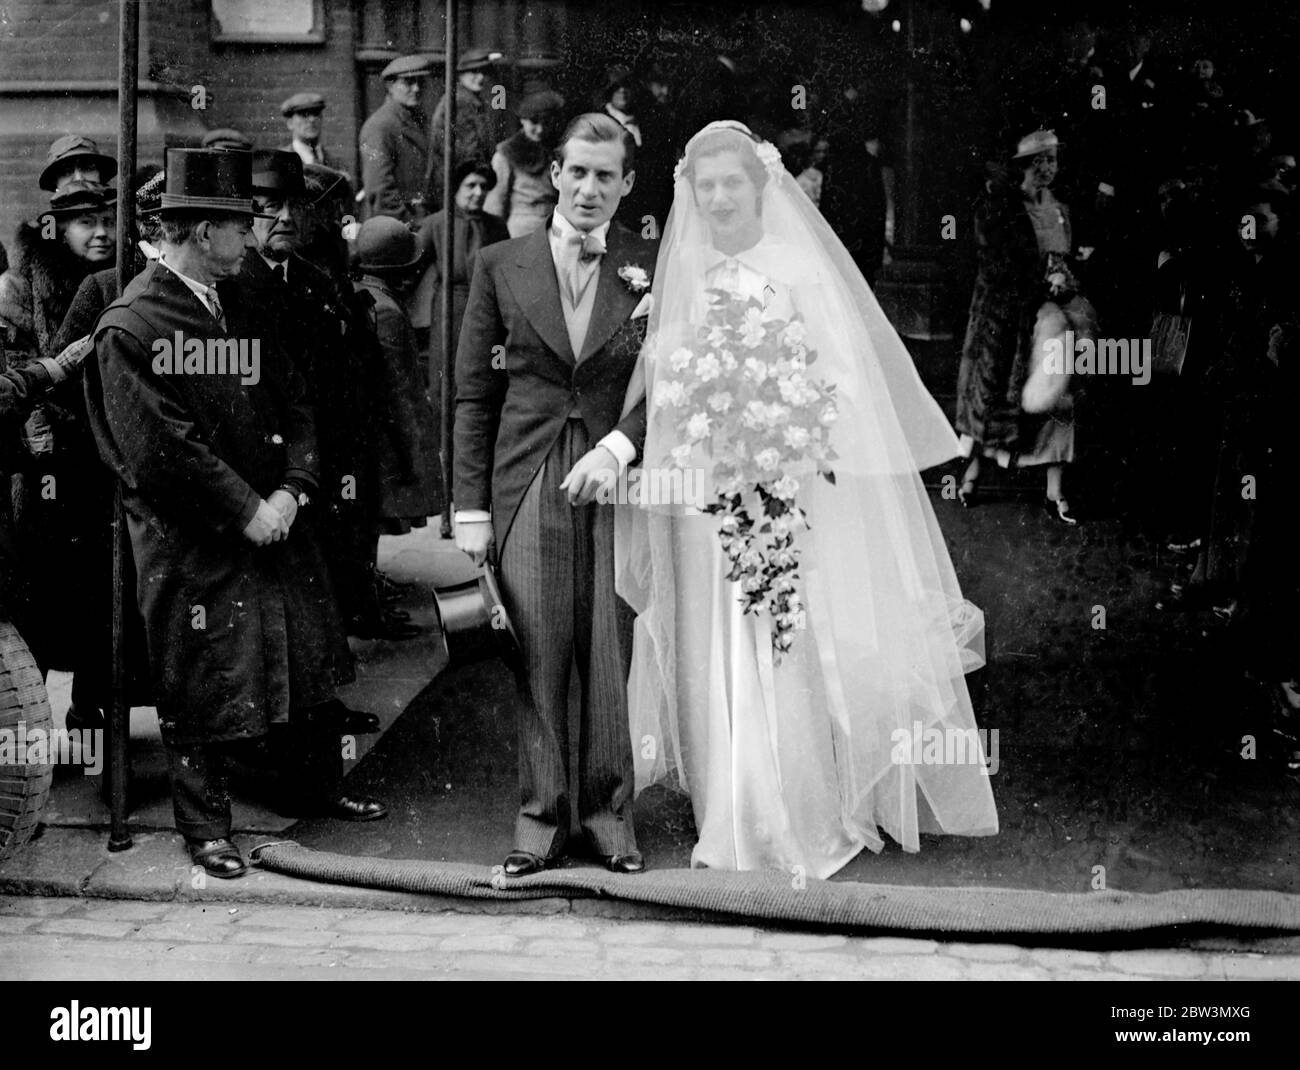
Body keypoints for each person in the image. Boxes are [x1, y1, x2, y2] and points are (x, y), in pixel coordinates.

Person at [614, 121, 997, 878]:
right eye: (706, 185)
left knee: (781, 646)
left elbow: (843, 383)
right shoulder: (680, 275)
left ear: (761, 189)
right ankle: (729, 809)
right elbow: (662, 387)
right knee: (715, 644)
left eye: (733, 183)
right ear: (690, 194)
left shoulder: (798, 267)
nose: (719, 198)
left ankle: (791, 815)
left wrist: (778, 438)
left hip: (784, 493)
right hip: (705, 499)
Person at [84, 149, 387, 881]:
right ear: (199, 231)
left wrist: (292, 489)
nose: (252, 239)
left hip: (273, 518)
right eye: (238, 228)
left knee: (307, 651)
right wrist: (247, 509)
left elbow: (295, 400)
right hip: (192, 539)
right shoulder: (134, 325)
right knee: (203, 673)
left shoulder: (237, 305)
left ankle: (316, 788)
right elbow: (162, 451)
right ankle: (205, 826)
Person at [454, 113, 655, 877]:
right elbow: (474, 395)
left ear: (627, 184)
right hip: (527, 472)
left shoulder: (649, 263)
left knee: (608, 648)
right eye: (578, 172)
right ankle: (540, 823)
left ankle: (609, 821)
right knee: (535, 652)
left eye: (608, 176)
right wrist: (470, 510)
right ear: (555, 174)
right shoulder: (501, 263)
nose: (590, 188)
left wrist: (621, 443)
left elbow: (670, 382)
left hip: (615, 476)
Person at [244, 150, 415, 648]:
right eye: (266, 206)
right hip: (267, 465)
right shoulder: (233, 286)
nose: (285, 218)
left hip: (320, 453)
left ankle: (322, 692)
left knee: (323, 573)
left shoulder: (314, 280)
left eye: (295, 206)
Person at [0, 180, 117, 724]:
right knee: (38, 600)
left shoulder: (122, 277)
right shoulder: (23, 284)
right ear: (58, 227)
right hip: (44, 464)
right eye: (85, 222)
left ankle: (89, 727)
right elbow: (16, 366)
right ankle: (29, 734)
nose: (101, 232)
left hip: (101, 460)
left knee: (100, 598)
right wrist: (44, 424)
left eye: (108, 220)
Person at [954, 129, 1095, 524]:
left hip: (1054, 311)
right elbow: (996, 266)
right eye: (1038, 162)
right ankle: (973, 474)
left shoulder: (1062, 209)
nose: (1046, 169)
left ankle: (1056, 490)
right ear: (1021, 167)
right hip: (1009, 314)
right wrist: (1038, 282)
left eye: (1052, 160)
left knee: (1060, 385)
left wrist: (1067, 277)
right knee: (995, 392)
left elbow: (1069, 258)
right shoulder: (1001, 207)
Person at [415, 160, 509, 529]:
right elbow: (411, 264)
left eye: (483, 187)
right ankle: (448, 492)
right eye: (470, 185)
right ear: (455, 187)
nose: (477, 193)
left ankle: (478, 488)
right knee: (447, 396)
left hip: (487, 316)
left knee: (484, 394)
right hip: (450, 317)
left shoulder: (495, 227)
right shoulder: (436, 225)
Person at [353, 216, 443, 535]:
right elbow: (399, 387)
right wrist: (414, 447)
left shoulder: (363, 292)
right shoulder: (387, 310)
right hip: (388, 431)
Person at [427, 47, 502, 211]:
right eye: (474, 72)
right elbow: (468, 153)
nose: (480, 77)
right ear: (461, 74)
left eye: (484, 72)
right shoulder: (460, 102)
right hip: (457, 184)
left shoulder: (471, 100)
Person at [360, 54, 433, 221]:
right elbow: (379, 189)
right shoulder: (380, 126)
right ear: (390, 86)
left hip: (421, 219)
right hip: (396, 225)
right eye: (408, 82)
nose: (416, 89)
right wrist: (411, 225)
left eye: (420, 82)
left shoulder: (419, 120)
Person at [484, 90, 564, 238]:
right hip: (522, 229)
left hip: (556, 226)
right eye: (534, 122)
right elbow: (495, 203)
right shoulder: (506, 154)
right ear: (522, 120)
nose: (540, 130)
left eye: (546, 123)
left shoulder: (558, 150)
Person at [279, 92, 342, 170]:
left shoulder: (337, 163)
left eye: (316, 114)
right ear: (290, 123)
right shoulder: (280, 162)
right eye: (304, 115)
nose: (312, 119)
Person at [38, 134, 118, 194]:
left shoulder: (123, 213)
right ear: (56, 183)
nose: (79, 179)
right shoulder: (49, 217)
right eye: (66, 172)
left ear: (100, 174)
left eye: (87, 168)